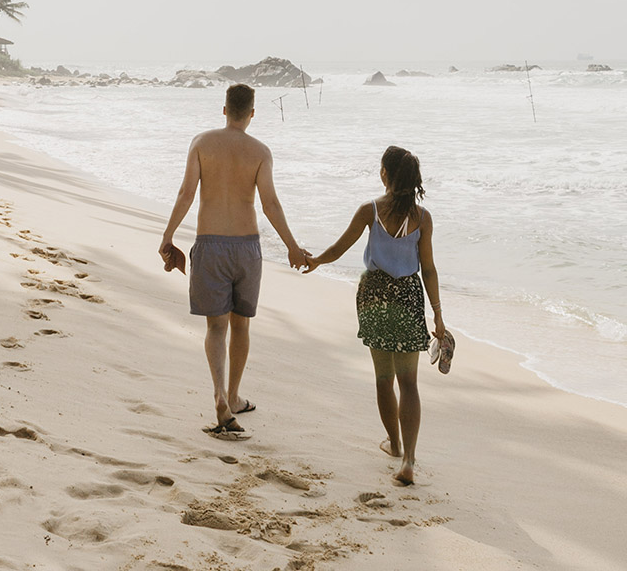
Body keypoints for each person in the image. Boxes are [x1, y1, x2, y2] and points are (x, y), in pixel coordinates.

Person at [159, 82, 310, 440]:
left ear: (224, 109)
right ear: (252, 114)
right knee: (241, 327)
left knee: (216, 328)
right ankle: (233, 396)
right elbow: (270, 204)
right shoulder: (260, 151)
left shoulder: (201, 143)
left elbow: (186, 193)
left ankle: (219, 397)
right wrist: (292, 246)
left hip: (210, 245)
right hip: (246, 248)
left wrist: (167, 236)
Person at [303, 145, 448, 486]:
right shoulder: (423, 218)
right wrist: (438, 316)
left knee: (384, 378)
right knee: (409, 382)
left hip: (375, 296)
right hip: (409, 296)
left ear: (385, 174)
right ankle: (409, 460)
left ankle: (394, 444)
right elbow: (428, 269)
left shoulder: (370, 210)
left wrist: (315, 262)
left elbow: (339, 248)